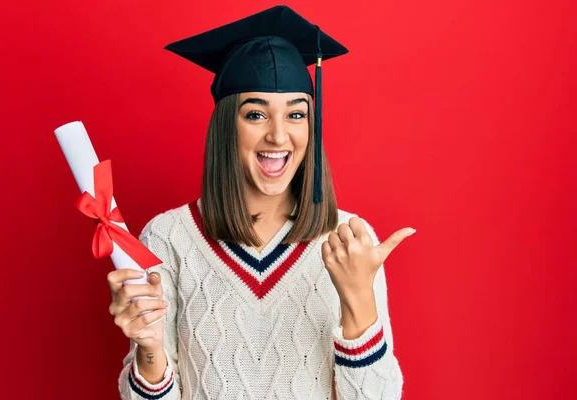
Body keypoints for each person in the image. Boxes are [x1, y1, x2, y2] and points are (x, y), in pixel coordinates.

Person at [107, 5, 415, 399]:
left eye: (296, 114)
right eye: (255, 114)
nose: (279, 136)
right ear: (225, 126)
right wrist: (149, 350)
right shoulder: (169, 237)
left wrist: (358, 302)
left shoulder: (349, 241)